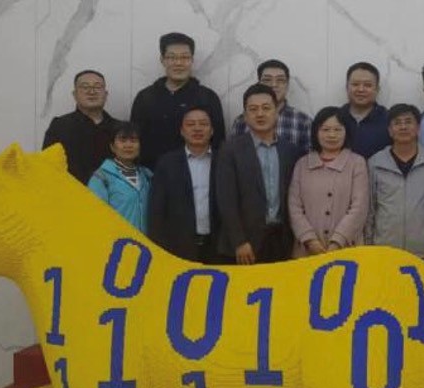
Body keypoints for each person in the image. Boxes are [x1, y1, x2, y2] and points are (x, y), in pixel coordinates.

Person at [215, 84, 303, 265]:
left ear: (276, 112)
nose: (260, 114)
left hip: (282, 241)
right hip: (245, 245)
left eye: (266, 108)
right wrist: (239, 241)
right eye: (253, 109)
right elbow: (226, 200)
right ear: (245, 115)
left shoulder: (291, 151)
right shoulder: (230, 150)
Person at [130, 32, 227, 168]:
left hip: (198, 174)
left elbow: (219, 144)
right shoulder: (145, 98)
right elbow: (133, 142)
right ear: (162, 60)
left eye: (185, 57)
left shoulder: (207, 98)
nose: (179, 63)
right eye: (172, 57)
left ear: (192, 60)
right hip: (152, 174)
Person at [287, 107, 370, 258]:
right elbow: (294, 207)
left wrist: (338, 241)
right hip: (307, 250)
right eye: (325, 130)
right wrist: (309, 240)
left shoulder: (357, 163)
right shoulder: (302, 164)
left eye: (337, 130)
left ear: (346, 132)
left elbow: (359, 207)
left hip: (347, 248)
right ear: (316, 132)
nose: (332, 135)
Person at [367, 104, 424, 265]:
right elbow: (370, 210)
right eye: (397, 123)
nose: (403, 127)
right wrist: (368, 248)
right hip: (384, 249)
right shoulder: (376, 163)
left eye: (408, 122)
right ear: (389, 130)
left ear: (418, 128)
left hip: (423, 250)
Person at [147, 106, 219, 262]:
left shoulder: (224, 160)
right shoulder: (167, 163)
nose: (197, 128)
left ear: (212, 130)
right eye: (191, 124)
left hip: (218, 247)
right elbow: (156, 210)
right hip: (177, 248)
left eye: (203, 124)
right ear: (182, 131)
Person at [42, 69, 117, 184]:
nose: (92, 91)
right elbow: (47, 165)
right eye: (85, 87)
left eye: (97, 87)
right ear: (75, 94)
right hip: (71, 192)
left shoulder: (119, 129)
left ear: (106, 94)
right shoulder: (60, 126)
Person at [230, 59, 313, 155]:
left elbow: (309, 160)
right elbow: (232, 156)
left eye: (280, 80)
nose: (274, 85)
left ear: (287, 85)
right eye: (267, 80)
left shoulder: (303, 121)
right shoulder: (242, 121)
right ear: (259, 83)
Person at [86, 122, 152, 232]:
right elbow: (95, 216)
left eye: (133, 140)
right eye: (122, 140)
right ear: (112, 146)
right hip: (117, 241)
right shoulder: (101, 178)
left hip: (144, 242)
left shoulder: (147, 176)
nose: (128, 145)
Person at [341, 61, 391, 159]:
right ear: (347, 87)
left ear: (377, 89)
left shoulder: (389, 119)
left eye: (367, 85)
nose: (361, 89)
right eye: (355, 84)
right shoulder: (336, 118)